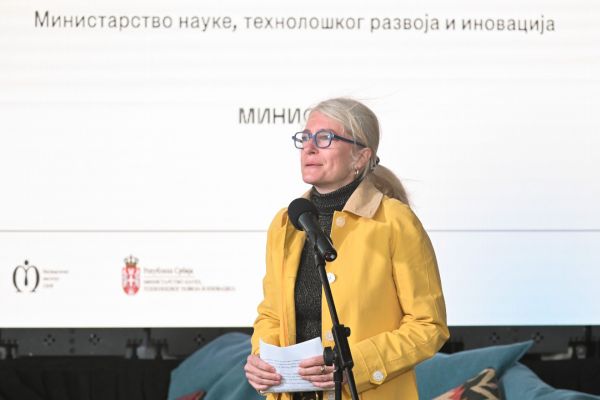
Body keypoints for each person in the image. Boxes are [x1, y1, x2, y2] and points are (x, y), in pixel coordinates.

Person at [244, 98, 449, 400]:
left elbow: (428, 326)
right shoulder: (285, 224)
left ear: (360, 157)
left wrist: (353, 366)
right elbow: (272, 314)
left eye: (324, 138)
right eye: (305, 137)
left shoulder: (395, 222)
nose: (309, 148)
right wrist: (262, 357)